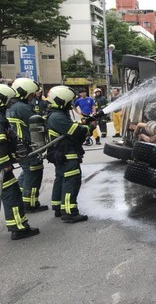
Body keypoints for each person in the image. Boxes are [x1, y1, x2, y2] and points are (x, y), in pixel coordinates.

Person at [46, 86, 97, 223]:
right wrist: (90, 127)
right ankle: (69, 212)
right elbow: (76, 132)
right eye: (69, 101)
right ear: (62, 101)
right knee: (71, 182)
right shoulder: (57, 116)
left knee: (61, 180)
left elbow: (70, 128)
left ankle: (59, 207)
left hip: (62, 154)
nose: (71, 104)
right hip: (67, 154)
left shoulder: (56, 114)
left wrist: (84, 123)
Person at [0, 84, 40, 240]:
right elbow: (1, 143)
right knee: (12, 196)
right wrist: (5, 164)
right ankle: (19, 228)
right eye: (8, 101)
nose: (11, 104)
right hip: (2, 167)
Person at [7, 77, 48, 213]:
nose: (32, 96)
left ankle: (21, 198)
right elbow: (38, 123)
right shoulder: (23, 108)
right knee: (34, 174)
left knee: (26, 173)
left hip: (19, 148)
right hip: (28, 147)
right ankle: (30, 203)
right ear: (24, 92)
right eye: (31, 94)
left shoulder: (11, 106)